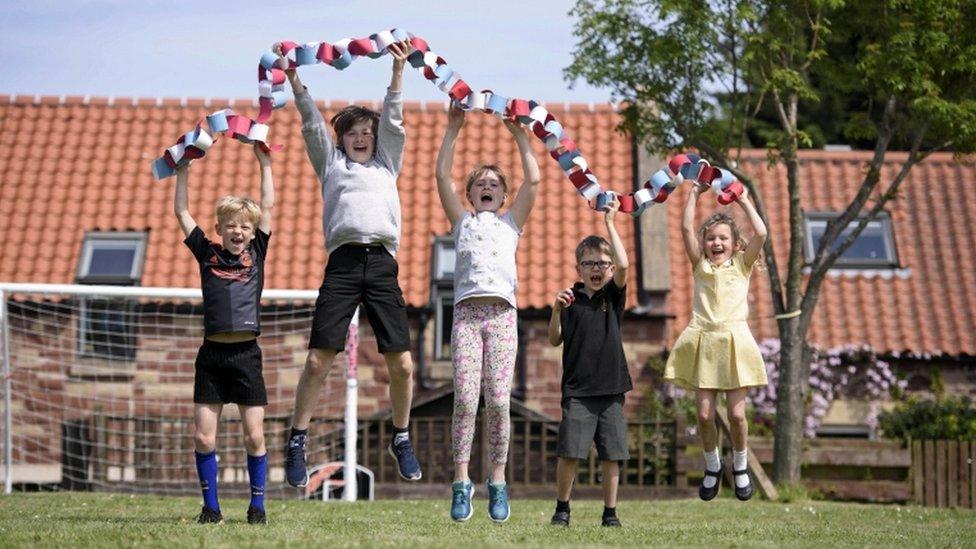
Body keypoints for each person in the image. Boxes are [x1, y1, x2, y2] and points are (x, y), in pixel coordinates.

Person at [276, 40, 424, 487]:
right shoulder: (331, 165)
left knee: (402, 364)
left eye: (367, 131)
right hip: (342, 265)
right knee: (319, 360)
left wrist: (398, 73)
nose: (361, 137)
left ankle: (401, 437)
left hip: (381, 264)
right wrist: (295, 80)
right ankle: (297, 440)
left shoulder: (387, 165)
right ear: (341, 138)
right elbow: (310, 124)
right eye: (353, 132)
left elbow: (394, 119)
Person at [435, 103, 541, 522]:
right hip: (465, 316)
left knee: (497, 400)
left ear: (503, 195)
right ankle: (462, 483)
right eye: (480, 182)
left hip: (501, 317)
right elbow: (442, 175)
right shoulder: (461, 222)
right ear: (471, 193)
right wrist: (453, 129)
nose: (487, 187)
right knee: (465, 398)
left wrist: (519, 135)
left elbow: (533, 178)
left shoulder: (511, 224)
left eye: (495, 184)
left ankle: (497, 481)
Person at [173, 144, 274, 524]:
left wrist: (264, 162)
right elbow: (181, 212)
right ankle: (210, 509)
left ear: (252, 233)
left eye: (245, 226)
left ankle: (257, 508)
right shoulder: (206, 253)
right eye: (231, 224)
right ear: (219, 228)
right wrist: (182, 170)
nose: (238, 230)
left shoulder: (258, 252)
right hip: (212, 358)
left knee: (254, 437)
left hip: (247, 356)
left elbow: (269, 204)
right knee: (203, 438)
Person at [664, 183, 768, 501]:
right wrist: (695, 191)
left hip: (734, 341)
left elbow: (761, 234)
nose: (716, 242)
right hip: (705, 340)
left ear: (736, 244)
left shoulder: (742, 265)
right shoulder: (701, 267)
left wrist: (746, 200)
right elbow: (684, 227)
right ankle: (712, 466)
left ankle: (739, 465)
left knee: (737, 415)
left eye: (723, 238)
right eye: (711, 238)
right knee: (706, 414)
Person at [547, 196, 632, 527]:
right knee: (570, 452)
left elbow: (625, 266)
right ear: (578, 268)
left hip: (611, 389)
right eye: (590, 263)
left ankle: (610, 513)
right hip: (578, 391)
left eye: (602, 264)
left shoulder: (613, 295)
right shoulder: (569, 300)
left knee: (613, 454)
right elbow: (554, 339)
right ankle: (562, 508)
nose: (597, 269)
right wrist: (555, 310)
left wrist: (610, 223)